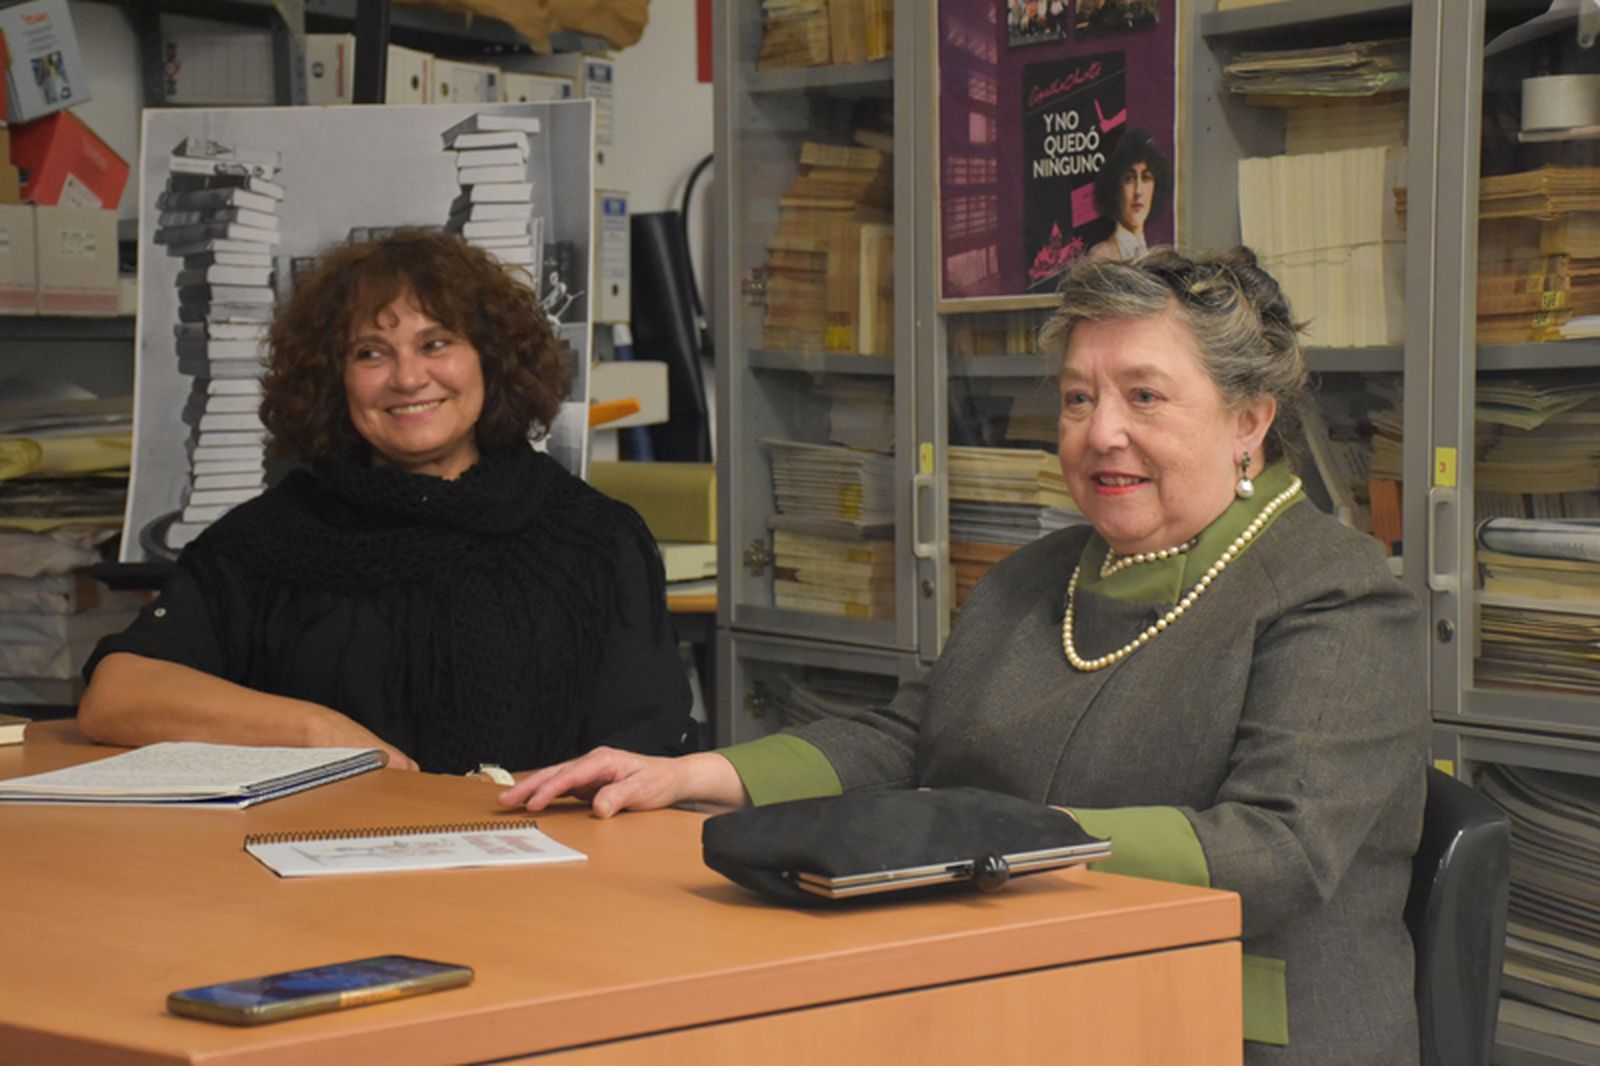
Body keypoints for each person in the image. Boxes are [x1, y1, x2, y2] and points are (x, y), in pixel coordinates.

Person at [500, 247, 1429, 1064]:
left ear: (1249, 422)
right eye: (1079, 398)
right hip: (1014, 989)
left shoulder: (1337, 595)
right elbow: (916, 736)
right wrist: (691, 775)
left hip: (1229, 1025)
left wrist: (994, 839)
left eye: (1144, 396)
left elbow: (1280, 849)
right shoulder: (1035, 576)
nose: (1101, 432)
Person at [78, 230, 693, 775]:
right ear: (332, 380)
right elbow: (117, 696)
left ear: (491, 359)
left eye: (436, 343)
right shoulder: (269, 539)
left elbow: (642, 754)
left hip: (542, 858)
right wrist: (316, 731)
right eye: (370, 353)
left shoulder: (595, 537)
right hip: (309, 856)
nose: (407, 378)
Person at [1088, 129, 1172, 262]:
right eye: (1129, 179)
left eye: (1146, 178)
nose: (1138, 191)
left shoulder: (1157, 259)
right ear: (1115, 188)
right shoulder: (1101, 258)